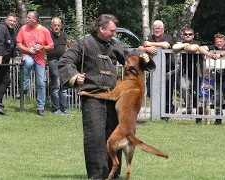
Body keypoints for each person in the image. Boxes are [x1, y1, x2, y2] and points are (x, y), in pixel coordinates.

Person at [58, 14, 155, 179]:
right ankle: (97, 175)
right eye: (112, 30)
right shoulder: (84, 43)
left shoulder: (114, 44)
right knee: (95, 136)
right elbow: (66, 61)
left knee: (114, 135)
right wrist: (74, 76)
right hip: (92, 96)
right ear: (101, 29)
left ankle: (113, 174)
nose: (114, 34)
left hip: (112, 97)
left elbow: (129, 58)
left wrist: (143, 58)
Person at [16, 11, 54, 116]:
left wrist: (42, 47)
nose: (27, 19)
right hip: (27, 55)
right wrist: (28, 50)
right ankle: (24, 88)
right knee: (28, 62)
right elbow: (19, 44)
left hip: (40, 59)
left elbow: (51, 46)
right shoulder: (23, 29)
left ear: (35, 19)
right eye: (27, 17)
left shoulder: (44, 30)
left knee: (41, 83)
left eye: (29, 18)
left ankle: (40, 107)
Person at [198, 33, 225, 125]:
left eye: (221, 41)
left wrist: (221, 55)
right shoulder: (213, 47)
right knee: (218, 99)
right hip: (217, 78)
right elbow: (200, 48)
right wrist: (209, 54)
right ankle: (218, 119)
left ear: (224, 41)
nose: (219, 43)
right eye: (217, 42)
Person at [138, 20, 174, 113]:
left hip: (168, 70)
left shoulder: (168, 37)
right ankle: (159, 111)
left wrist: (150, 44)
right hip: (153, 70)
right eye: (155, 28)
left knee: (167, 93)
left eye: (159, 28)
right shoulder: (150, 37)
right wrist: (147, 48)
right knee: (150, 91)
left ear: (163, 29)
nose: (157, 30)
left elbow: (166, 45)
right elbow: (140, 48)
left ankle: (167, 112)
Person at [171, 28, 202, 114]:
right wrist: (185, 45)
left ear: (193, 35)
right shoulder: (182, 43)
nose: (188, 35)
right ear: (183, 35)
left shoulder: (197, 43)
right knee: (184, 88)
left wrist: (183, 46)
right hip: (185, 71)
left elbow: (192, 49)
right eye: (186, 34)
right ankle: (188, 107)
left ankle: (199, 113)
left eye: (190, 34)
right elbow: (174, 47)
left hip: (197, 71)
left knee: (197, 92)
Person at [47, 17, 70, 115]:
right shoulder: (48, 35)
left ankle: (63, 108)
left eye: (58, 25)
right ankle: (56, 108)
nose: (56, 27)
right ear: (51, 26)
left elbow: (65, 47)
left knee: (64, 85)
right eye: (55, 25)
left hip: (63, 62)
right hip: (53, 61)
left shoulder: (63, 35)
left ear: (61, 26)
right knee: (56, 84)